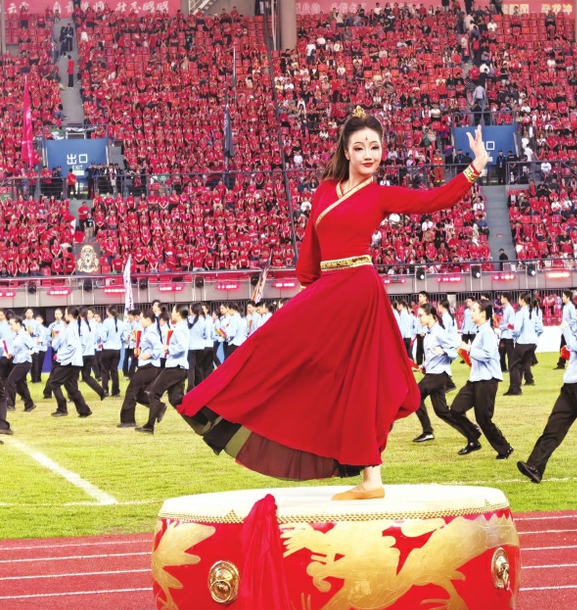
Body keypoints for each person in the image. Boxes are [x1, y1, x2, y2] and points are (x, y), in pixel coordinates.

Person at [178, 108, 489, 499]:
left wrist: (476, 166)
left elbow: (433, 200)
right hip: (328, 290)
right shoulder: (325, 190)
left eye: (375, 147)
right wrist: (310, 295)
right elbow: (310, 252)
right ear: (346, 150)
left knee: (361, 383)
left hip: (361, 291)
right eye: (360, 147)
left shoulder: (380, 195)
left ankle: (372, 480)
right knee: (270, 343)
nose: (368, 154)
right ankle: (214, 406)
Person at [517, 295, 577, 483]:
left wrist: (565, 327)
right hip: (572, 385)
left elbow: (575, 345)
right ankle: (535, 466)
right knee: (554, 426)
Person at [412, 303, 482, 449]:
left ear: (430, 316)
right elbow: (432, 355)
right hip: (434, 373)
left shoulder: (439, 332)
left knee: (415, 396)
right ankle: (471, 430)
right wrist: (423, 366)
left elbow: (454, 350)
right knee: (441, 411)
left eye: (421, 315)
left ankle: (427, 431)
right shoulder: (429, 333)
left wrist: (444, 352)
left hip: (439, 375)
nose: (419, 318)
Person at [451, 300, 513, 458]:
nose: (470, 313)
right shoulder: (480, 332)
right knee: (456, 409)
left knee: (483, 418)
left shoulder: (487, 333)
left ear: (483, 314)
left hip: (487, 380)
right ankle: (473, 438)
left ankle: (504, 448)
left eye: (474, 310)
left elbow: (487, 355)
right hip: (476, 379)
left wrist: (469, 348)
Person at [139, 306, 190, 434]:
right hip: (180, 367)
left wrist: (168, 348)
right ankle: (201, 420)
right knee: (176, 399)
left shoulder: (180, 329)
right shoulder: (182, 327)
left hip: (174, 367)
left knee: (154, 393)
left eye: (173, 311)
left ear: (178, 313)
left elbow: (182, 347)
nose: (171, 313)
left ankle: (150, 424)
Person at [119, 308, 163, 428]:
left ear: (148, 320)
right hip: (147, 366)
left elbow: (159, 348)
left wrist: (148, 355)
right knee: (138, 393)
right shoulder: (147, 331)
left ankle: (128, 420)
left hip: (149, 366)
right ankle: (158, 407)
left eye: (142, 318)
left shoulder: (151, 332)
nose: (140, 321)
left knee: (131, 390)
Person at [49, 307, 93, 418]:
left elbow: (71, 346)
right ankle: (84, 410)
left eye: (65, 313)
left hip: (69, 361)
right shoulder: (76, 326)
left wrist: (60, 356)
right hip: (75, 361)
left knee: (54, 383)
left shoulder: (70, 328)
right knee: (71, 387)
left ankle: (62, 408)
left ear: (69, 315)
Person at [504, 292, 543, 396]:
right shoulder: (533, 312)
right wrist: (534, 337)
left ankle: (515, 389)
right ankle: (517, 387)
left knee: (514, 366)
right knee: (523, 365)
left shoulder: (520, 313)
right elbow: (540, 329)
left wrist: (515, 336)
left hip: (523, 342)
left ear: (522, 300)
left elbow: (516, 329)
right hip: (532, 343)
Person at [6, 317, 37, 412]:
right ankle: (29, 404)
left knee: (10, 381)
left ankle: (10, 404)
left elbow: (34, 346)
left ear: (18, 324)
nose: (10, 326)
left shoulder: (24, 335)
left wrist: (32, 351)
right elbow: (19, 348)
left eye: (12, 324)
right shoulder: (17, 335)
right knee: (20, 385)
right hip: (19, 361)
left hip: (24, 361)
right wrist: (11, 354)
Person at [98, 307, 127, 397]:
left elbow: (103, 337)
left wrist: (104, 340)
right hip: (116, 350)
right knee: (114, 370)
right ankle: (115, 391)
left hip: (107, 349)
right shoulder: (121, 323)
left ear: (108, 312)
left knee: (105, 371)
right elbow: (124, 337)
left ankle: (105, 390)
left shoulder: (106, 322)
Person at [187, 303, 214, 390]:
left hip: (191, 347)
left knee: (191, 369)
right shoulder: (203, 321)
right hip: (201, 347)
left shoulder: (188, 320)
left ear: (192, 310)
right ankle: (200, 386)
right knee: (198, 368)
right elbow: (206, 335)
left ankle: (191, 387)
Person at [554, 291, 576, 369]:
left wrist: (567, 324)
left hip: (569, 332)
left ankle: (563, 363)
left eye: (563, 296)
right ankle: (561, 363)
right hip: (565, 331)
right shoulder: (565, 306)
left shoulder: (571, 307)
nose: (562, 298)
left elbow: (574, 319)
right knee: (562, 347)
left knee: (568, 348)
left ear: (568, 297)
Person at [498, 294, 514, 372]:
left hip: (509, 336)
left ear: (505, 298)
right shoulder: (505, 309)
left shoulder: (510, 309)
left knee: (510, 354)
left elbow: (511, 325)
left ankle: (511, 368)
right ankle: (503, 368)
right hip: (504, 335)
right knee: (501, 353)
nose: (500, 300)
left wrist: (501, 326)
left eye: (501, 298)